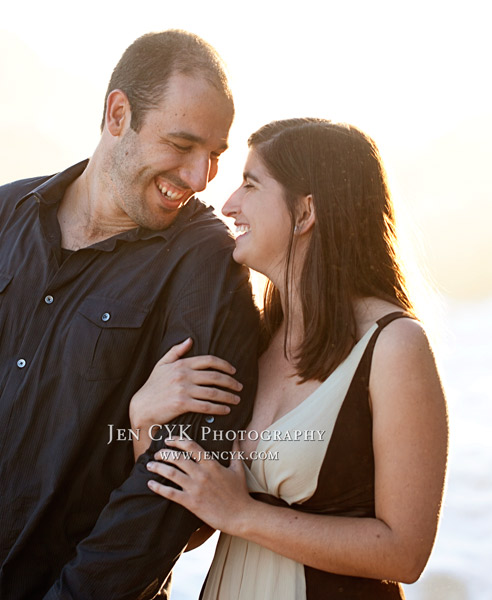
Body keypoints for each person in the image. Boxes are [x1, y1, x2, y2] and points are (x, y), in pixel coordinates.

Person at [0, 30, 261, 599]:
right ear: (119, 114)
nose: (198, 177)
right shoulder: (0, 216)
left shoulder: (207, 264)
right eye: (182, 144)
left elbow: (176, 481)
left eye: (215, 154)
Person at [131, 118, 448, 598]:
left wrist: (244, 514)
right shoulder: (253, 341)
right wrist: (145, 422)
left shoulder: (394, 346)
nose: (229, 204)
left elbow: (405, 553)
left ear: (305, 212)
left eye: (251, 184)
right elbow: (192, 531)